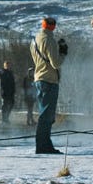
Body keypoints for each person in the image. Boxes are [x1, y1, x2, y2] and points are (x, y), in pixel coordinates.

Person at [30, 17, 66, 155]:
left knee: (43, 113)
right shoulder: (49, 40)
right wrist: (62, 53)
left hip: (39, 78)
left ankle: (44, 144)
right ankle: (43, 146)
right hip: (49, 80)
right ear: (53, 27)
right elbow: (56, 63)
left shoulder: (34, 40)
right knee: (47, 115)